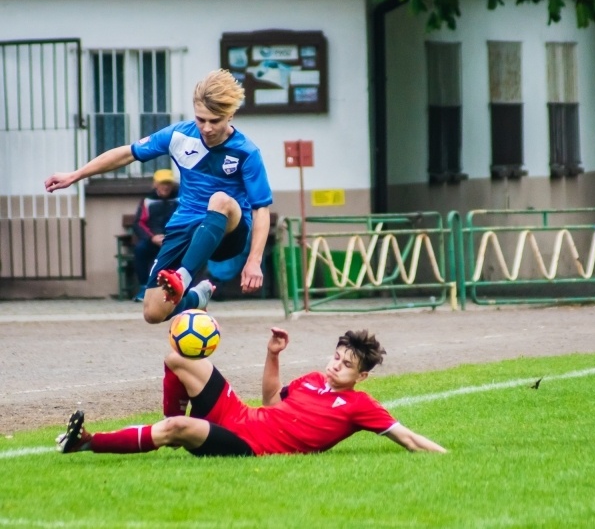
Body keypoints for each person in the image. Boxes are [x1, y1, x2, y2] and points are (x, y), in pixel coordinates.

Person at [44, 69, 273, 324]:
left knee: (219, 199)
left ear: (230, 115)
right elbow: (127, 153)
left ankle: (184, 278)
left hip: (229, 231)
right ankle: (196, 298)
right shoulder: (179, 136)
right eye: (201, 119)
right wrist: (76, 174)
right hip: (185, 224)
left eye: (215, 121)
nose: (207, 128)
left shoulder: (246, 151)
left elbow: (261, 208)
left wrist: (254, 260)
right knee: (154, 312)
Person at [56, 328, 447, 457]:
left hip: (247, 444)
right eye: (336, 357)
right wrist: (272, 354)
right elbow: (272, 402)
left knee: (179, 428)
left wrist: (444, 455)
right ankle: (168, 417)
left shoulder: (359, 406)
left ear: (361, 377)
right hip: (239, 415)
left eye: (346, 365)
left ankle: (87, 443)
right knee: (178, 355)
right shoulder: (312, 379)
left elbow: (407, 437)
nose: (335, 365)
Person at [131, 169, 180, 302]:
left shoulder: (180, 199)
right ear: (155, 184)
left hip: (174, 239)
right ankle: (144, 287)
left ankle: (177, 289)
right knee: (140, 250)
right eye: (162, 183)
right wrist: (152, 237)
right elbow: (139, 223)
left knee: (183, 251)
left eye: (168, 183)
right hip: (153, 240)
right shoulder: (147, 201)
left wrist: (172, 236)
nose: (165, 186)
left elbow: (185, 220)